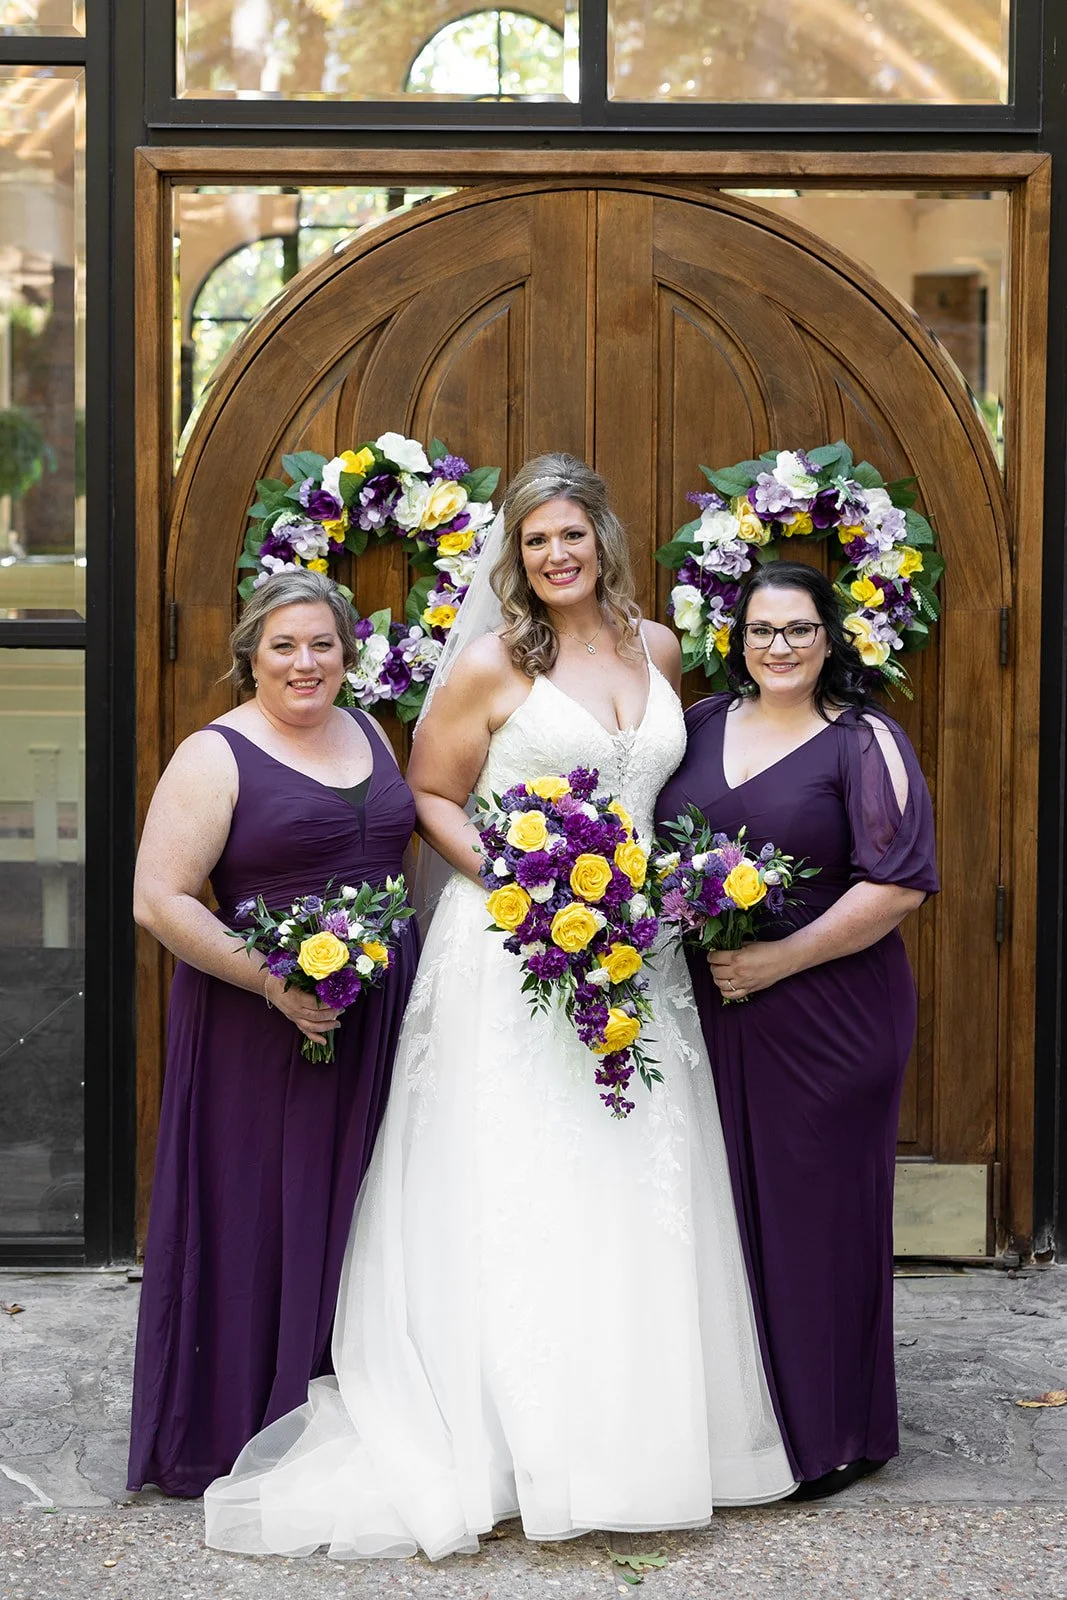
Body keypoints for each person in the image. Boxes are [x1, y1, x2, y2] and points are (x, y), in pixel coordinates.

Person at [203, 453, 795, 1561]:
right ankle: (507, 1445)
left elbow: (658, 792)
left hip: (638, 956)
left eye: (572, 533)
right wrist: (530, 887)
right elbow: (430, 792)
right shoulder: (491, 664)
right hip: (514, 949)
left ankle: (635, 1442)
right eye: (535, 540)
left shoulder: (657, 649)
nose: (557, 554)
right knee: (522, 1178)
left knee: (635, 1177)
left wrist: (647, 897)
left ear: (602, 538)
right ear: (514, 556)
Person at [127, 568, 420, 1497]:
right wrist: (274, 981)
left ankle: (351, 1414)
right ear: (249, 654)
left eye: (322, 644)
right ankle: (241, 1426)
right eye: (284, 645)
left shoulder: (369, 730)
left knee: (365, 1212)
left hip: (375, 1021)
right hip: (260, 1028)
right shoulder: (214, 754)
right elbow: (158, 899)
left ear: (347, 654)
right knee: (261, 1213)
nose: (305, 662)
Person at [655, 560, 938, 1500]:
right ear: (735, 639)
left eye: (798, 630)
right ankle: (745, 1427)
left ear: (828, 639)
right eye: (761, 630)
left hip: (828, 1011)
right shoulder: (697, 725)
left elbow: (896, 883)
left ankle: (833, 1433)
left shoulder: (862, 740)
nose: (778, 647)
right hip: (711, 1012)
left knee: (818, 1218)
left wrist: (779, 960)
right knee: (727, 1212)